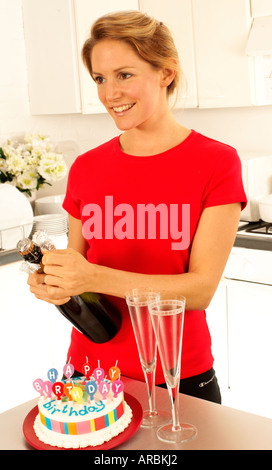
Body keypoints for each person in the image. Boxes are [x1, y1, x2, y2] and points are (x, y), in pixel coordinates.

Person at [28, 11, 247, 404]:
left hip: (177, 374)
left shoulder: (217, 162)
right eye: (99, 78)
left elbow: (200, 289)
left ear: (165, 72)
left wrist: (90, 276)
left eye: (124, 75)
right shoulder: (86, 168)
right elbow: (77, 274)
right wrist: (56, 282)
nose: (110, 93)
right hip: (88, 374)